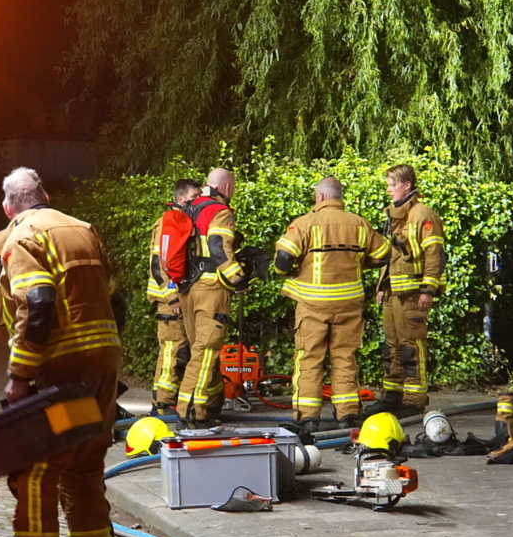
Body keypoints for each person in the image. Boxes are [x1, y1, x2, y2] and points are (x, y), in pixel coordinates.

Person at [0, 167, 123, 537]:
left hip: (62, 369)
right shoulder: (82, 230)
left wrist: (20, 375)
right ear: (45, 195)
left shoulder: (24, 237)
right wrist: (101, 359)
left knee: (37, 470)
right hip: (104, 361)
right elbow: (115, 299)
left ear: (8, 208)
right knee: (84, 467)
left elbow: (38, 304)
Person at [273, 176, 390, 436]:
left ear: (321, 197)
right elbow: (384, 255)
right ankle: (348, 415)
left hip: (312, 305)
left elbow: (283, 258)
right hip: (349, 304)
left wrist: (288, 272)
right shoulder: (360, 224)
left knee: (309, 359)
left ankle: (308, 418)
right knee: (345, 359)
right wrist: (359, 263)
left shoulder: (305, 223)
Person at [367, 164, 446, 419]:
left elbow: (435, 255)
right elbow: (390, 255)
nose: (388, 189)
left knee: (411, 348)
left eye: (393, 184)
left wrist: (428, 290)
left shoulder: (424, 215)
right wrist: (382, 286)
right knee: (391, 348)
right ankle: (392, 396)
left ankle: (414, 400)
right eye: (388, 184)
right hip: (393, 293)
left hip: (413, 294)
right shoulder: (393, 215)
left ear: (407, 185)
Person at [175, 168, 249, 429]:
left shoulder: (188, 208)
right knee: (205, 353)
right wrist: (238, 279)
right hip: (211, 290)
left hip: (187, 289)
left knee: (202, 350)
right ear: (227, 188)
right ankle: (191, 413)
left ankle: (211, 404)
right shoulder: (220, 211)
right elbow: (219, 248)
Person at [147, 179, 200, 415]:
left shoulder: (181, 222)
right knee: (173, 351)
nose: (196, 202)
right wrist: (172, 297)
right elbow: (158, 266)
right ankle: (163, 403)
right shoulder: (167, 224)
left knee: (179, 352)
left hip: (178, 298)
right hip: (168, 301)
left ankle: (167, 399)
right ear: (180, 198)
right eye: (193, 197)